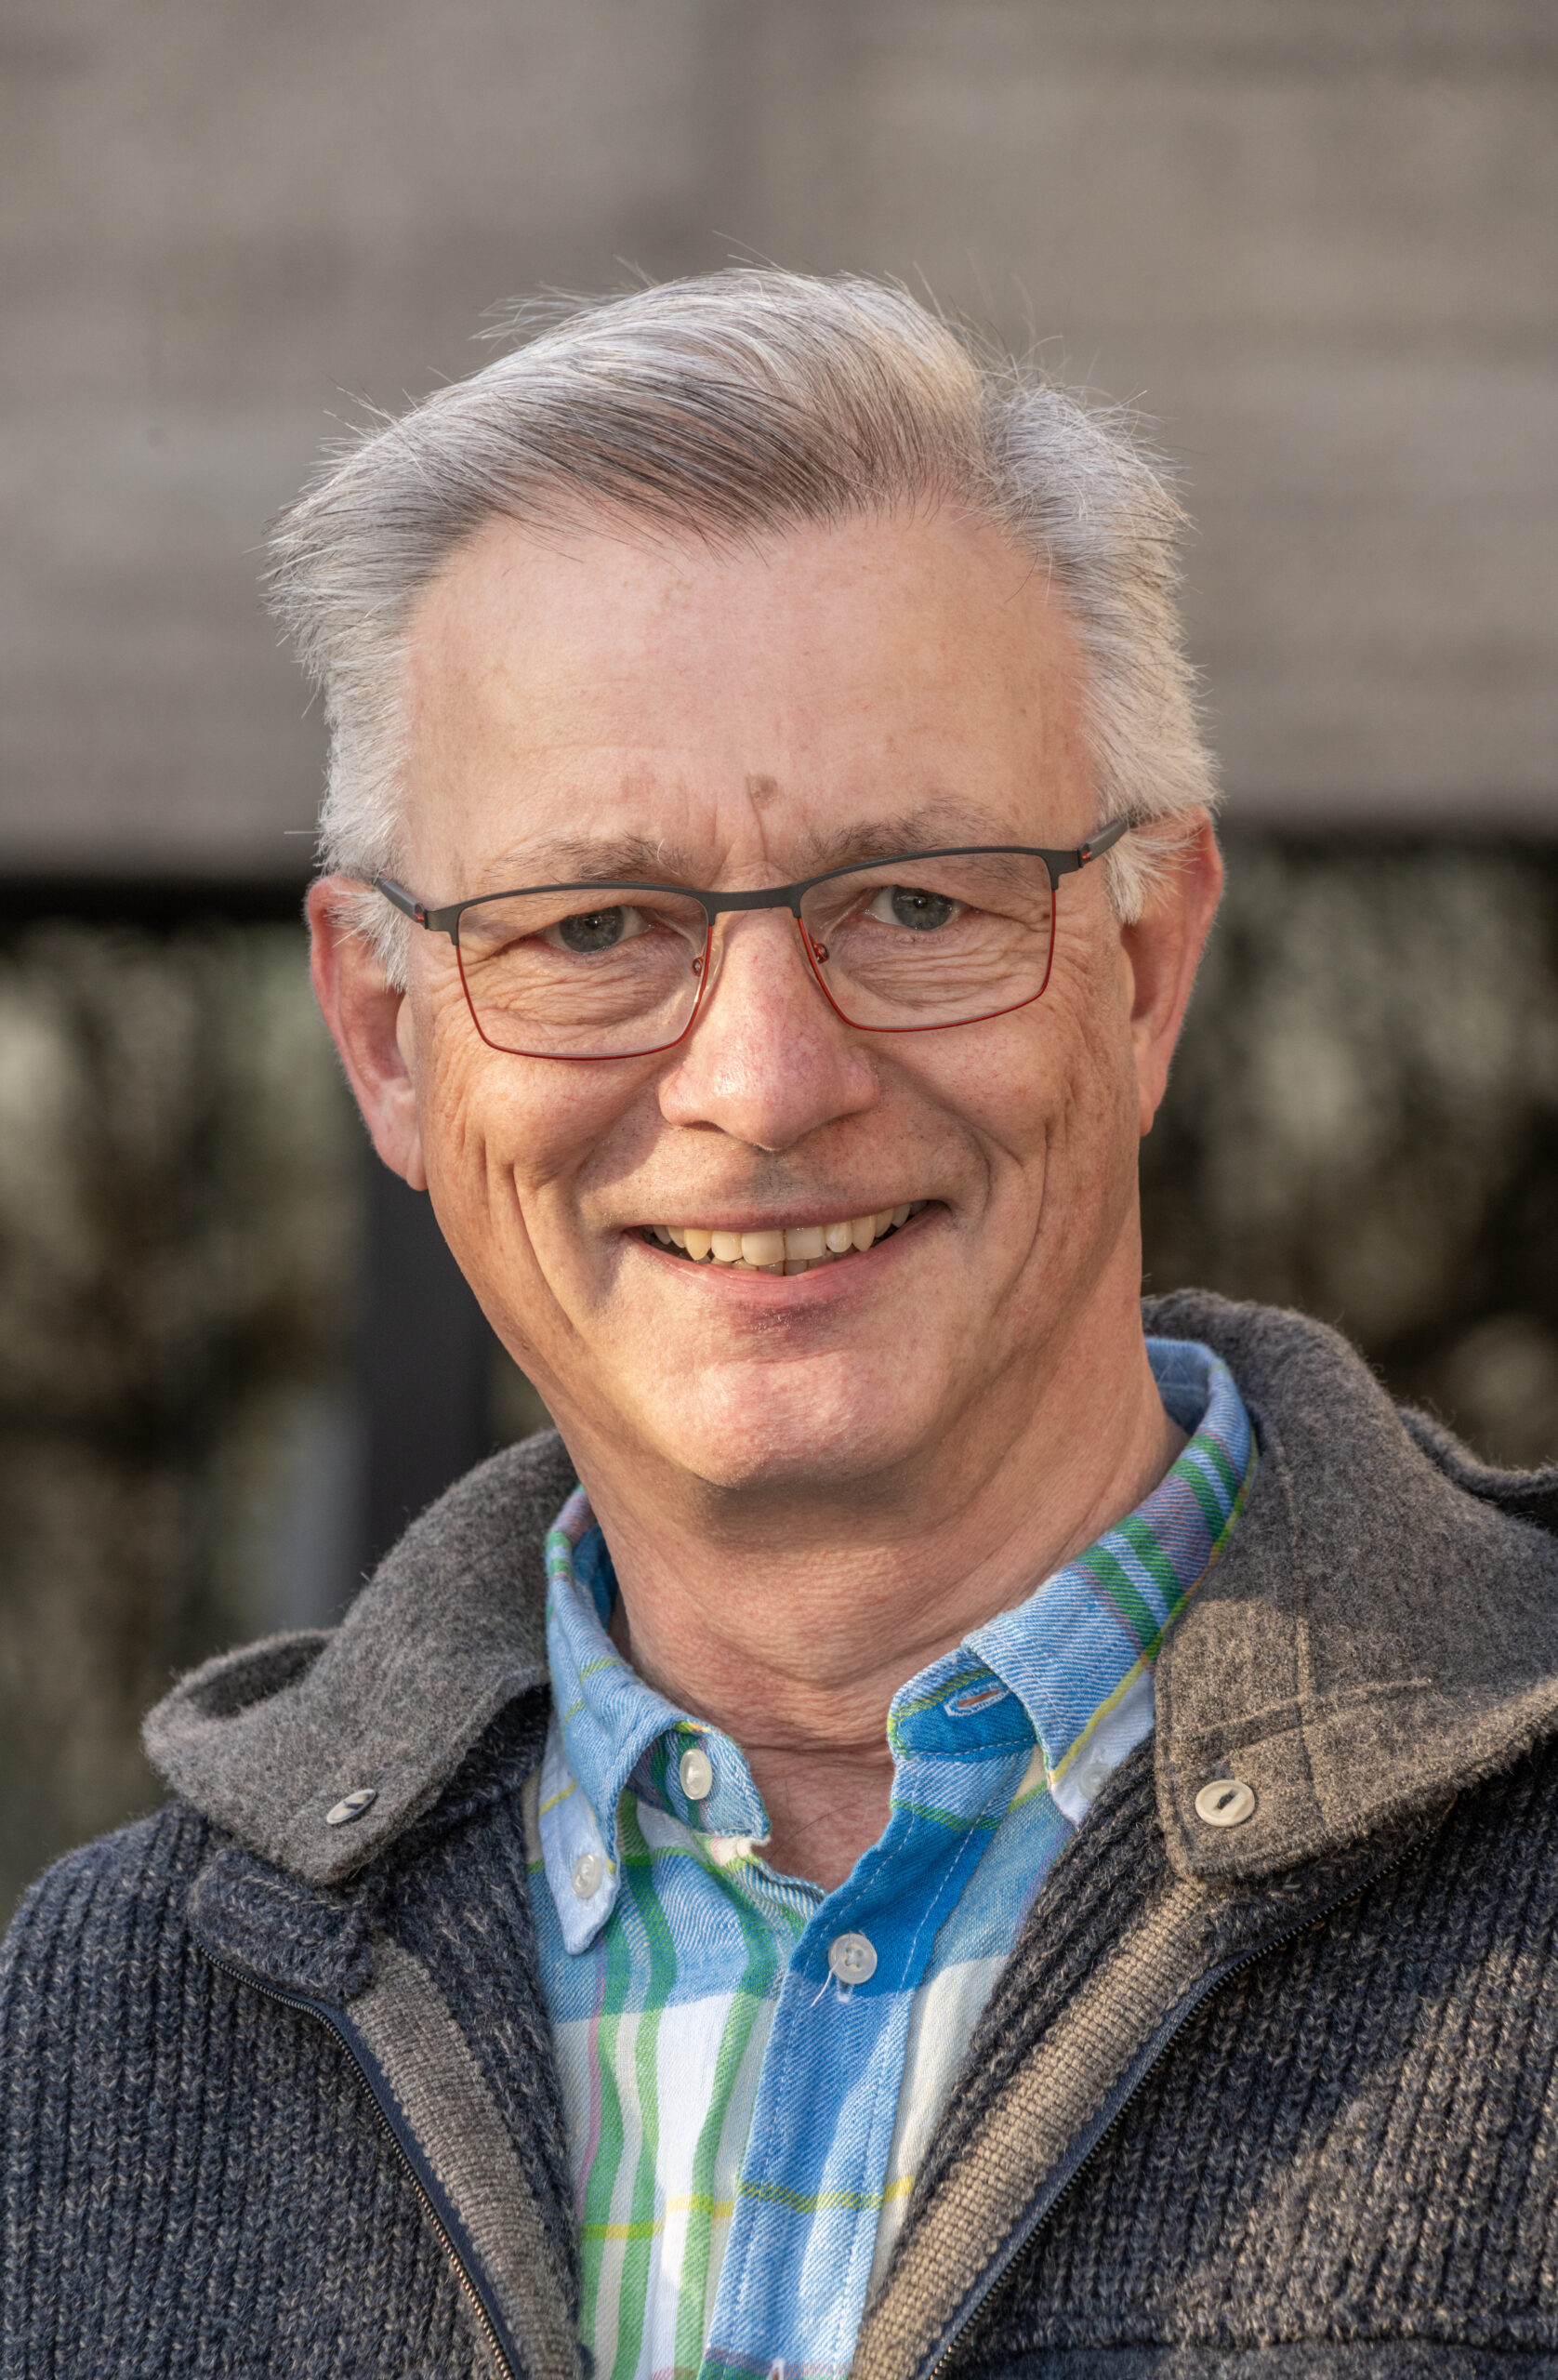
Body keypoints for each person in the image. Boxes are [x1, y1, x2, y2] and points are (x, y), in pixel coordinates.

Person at [6, 272, 1558, 2380]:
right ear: (386, 1037)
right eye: (592, 926)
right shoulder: (94, 2028)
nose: (762, 1081)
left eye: (915, 900)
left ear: (1145, 965)